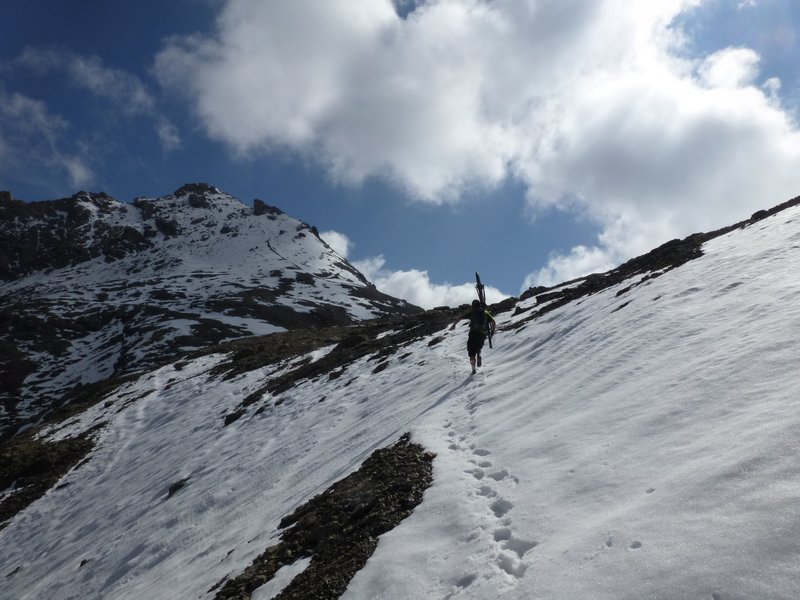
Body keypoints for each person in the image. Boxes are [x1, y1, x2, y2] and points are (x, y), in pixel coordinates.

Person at [450, 299, 496, 374]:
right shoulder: (486, 312)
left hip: (473, 334)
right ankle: (478, 354)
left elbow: (460, 317)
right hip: (482, 335)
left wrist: (454, 325)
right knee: (478, 347)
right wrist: (492, 331)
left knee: (471, 353)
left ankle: (473, 369)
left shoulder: (472, 312)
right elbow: (493, 322)